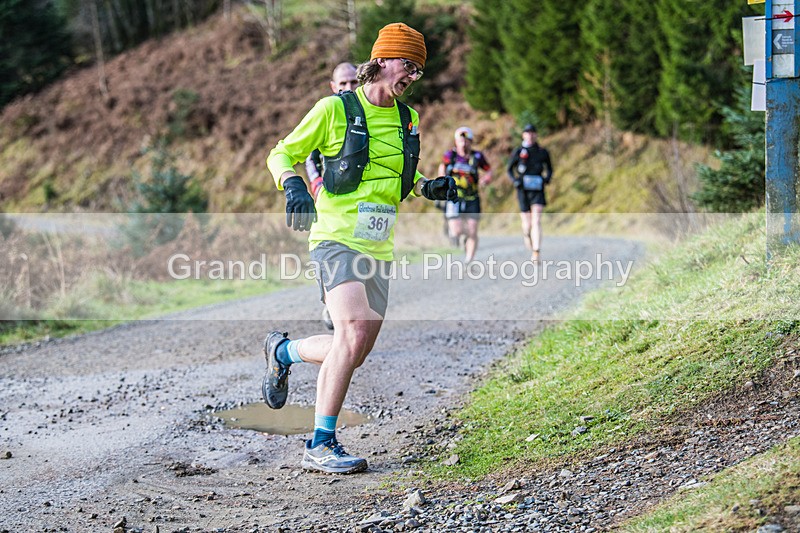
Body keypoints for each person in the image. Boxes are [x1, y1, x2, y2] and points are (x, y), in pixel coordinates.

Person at [264, 22, 457, 474]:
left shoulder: (408, 120)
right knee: (350, 333)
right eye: (407, 64)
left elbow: (399, 183)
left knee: (354, 347)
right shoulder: (335, 109)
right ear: (382, 60)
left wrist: (429, 188)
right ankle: (320, 442)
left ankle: (283, 352)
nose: (412, 75)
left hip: (378, 247)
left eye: (418, 69)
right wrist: (292, 185)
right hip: (335, 238)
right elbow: (281, 152)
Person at [304, 62, 359, 331]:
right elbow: (309, 156)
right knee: (329, 247)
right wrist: (316, 185)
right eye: (343, 83)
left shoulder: (368, 114)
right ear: (333, 86)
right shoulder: (327, 112)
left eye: (354, 82)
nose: (349, 87)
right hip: (328, 202)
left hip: (360, 209)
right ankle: (329, 299)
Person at [437, 126, 492, 263]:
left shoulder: (477, 156)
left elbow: (488, 170)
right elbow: (442, 167)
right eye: (461, 140)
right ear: (456, 141)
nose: (464, 143)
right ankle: (454, 234)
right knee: (457, 231)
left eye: (467, 140)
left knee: (472, 231)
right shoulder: (450, 155)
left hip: (472, 197)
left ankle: (469, 259)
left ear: (471, 141)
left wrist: (486, 179)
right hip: (453, 198)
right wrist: (441, 180)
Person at [507, 124, 552, 262]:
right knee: (527, 223)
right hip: (523, 190)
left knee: (536, 220)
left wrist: (546, 179)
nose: (531, 135)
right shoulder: (518, 151)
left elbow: (549, 168)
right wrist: (515, 180)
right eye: (528, 133)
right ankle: (527, 236)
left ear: (536, 135)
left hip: (537, 189)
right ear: (523, 135)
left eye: (533, 133)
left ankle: (536, 252)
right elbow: (509, 169)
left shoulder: (542, 152)